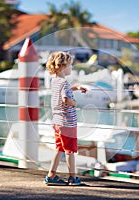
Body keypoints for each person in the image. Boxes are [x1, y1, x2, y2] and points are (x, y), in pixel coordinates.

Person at [44, 51, 87, 186]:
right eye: (70, 65)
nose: (71, 68)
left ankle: (51, 175)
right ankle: (72, 178)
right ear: (63, 66)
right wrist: (74, 103)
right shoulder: (64, 83)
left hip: (58, 122)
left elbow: (64, 91)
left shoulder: (55, 81)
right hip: (68, 123)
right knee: (70, 151)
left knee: (59, 149)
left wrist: (76, 87)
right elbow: (65, 99)